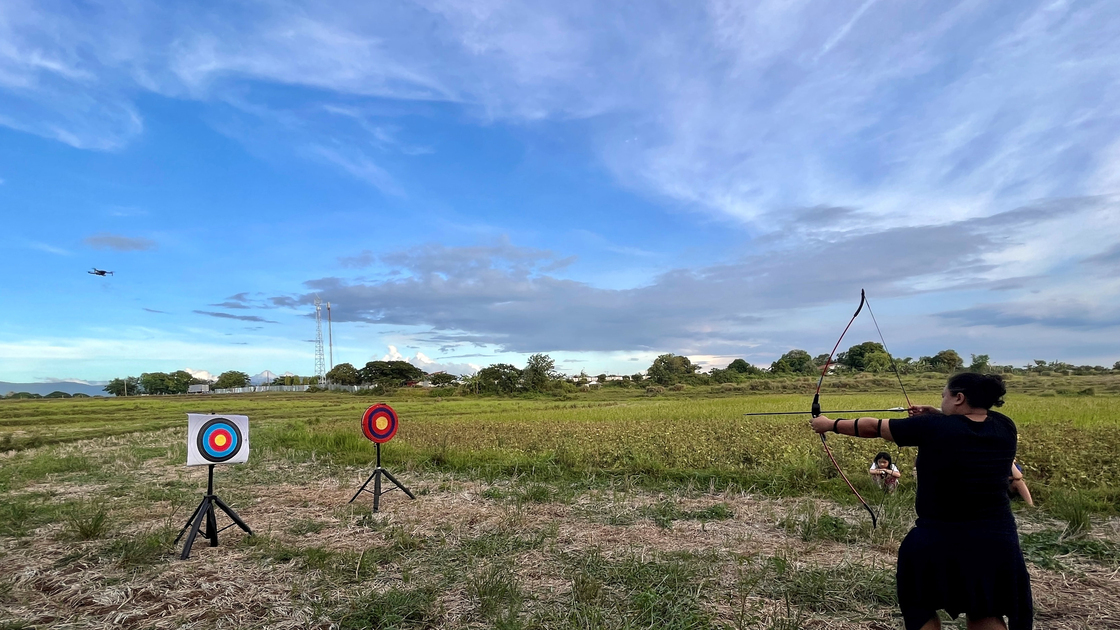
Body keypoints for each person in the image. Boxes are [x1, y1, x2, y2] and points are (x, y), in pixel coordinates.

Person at [812, 373, 1033, 630]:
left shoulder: (931, 428)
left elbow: (874, 427)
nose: (942, 401)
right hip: (997, 538)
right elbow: (968, 428)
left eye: (944, 396)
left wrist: (829, 424)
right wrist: (938, 414)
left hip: (939, 535)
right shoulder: (1004, 425)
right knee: (985, 607)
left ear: (959, 398)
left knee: (919, 606)